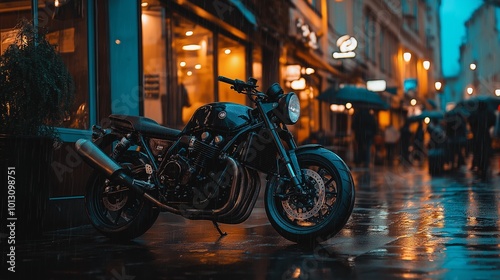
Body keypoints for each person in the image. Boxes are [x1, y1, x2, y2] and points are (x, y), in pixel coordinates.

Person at [468, 102, 496, 177]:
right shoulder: (488, 114)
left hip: (477, 136)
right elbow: (493, 121)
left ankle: (480, 165)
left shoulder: (475, 114)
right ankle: (484, 165)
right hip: (485, 135)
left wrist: (474, 129)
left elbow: (471, 121)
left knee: (478, 151)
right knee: (485, 151)